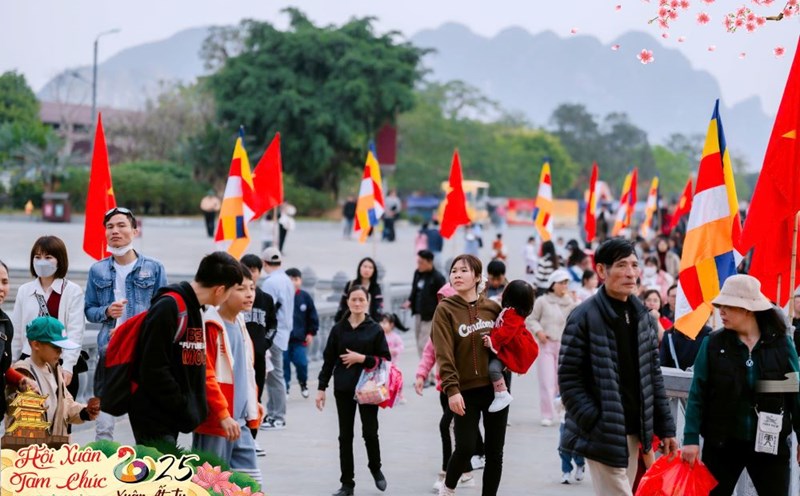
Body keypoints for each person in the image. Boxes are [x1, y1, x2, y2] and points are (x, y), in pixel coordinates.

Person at [559, 238, 677, 495]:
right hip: (604, 431)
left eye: (634, 265)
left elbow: (652, 376)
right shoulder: (583, 317)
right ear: (601, 270)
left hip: (637, 431)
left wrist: (665, 428)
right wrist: (594, 420)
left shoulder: (641, 316)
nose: (631, 273)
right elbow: (569, 379)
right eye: (622, 265)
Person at [682, 275, 800, 495]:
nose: (721, 312)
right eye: (720, 306)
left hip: (770, 443)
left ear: (748, 309)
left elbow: (795, 391)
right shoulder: (713, 344)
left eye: (728, 306)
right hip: (722, 442)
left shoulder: (781, 344)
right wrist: (690, 438)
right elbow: (698, 393)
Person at [129, 251, 243, 446]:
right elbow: (152, 368)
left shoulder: (195, 309)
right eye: (231, 291)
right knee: (155, 472)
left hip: (169, 416)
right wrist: (182, 405)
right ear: (219, 290)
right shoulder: (168, 307)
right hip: (152, 415)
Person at [84, 207, 168, 441]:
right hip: (109, 353)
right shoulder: (97, 269)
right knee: (104, 424)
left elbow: (164, 312)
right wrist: (107, 311)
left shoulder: (154, 268)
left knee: (147, 420)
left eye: (121, 225)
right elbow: (89, 310)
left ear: (134, 230)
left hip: (143, 354)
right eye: (110, 227)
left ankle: (148, 469)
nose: (115, 231)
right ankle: (103, 469)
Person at [431, 254, 507, 496]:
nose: (457, 275)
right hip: (464, 391)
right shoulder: (445, 310)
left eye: (463, 270)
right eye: (454, 271)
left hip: (495, 390)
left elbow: (507, 343)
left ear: (477, 276)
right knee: (464, 447)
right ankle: (448, 489)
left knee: (495, 453)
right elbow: (443, 354)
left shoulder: (493, 309)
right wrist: (451, 390)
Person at [316, 285, 391, 496]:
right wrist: (321, 388)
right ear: (347, 302)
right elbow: (328, 360)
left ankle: (375, 468)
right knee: (345, 436)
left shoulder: (375, 329)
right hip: (343, 389)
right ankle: (347, 484)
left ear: (367, 302)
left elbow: (385, 360)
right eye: (353, 300)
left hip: (369, 390)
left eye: (361, 300)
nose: (357, 303)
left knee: (369, 432)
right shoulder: (338, 329)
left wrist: (362, 359)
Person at [195, 265, 263, 486]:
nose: (250, 294)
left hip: (239, 421)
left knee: (249, 485)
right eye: (241, 289)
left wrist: (254, 404)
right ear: (222, 292)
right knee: (210, 486)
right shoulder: (210, 325)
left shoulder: (241, 323)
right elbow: (206, 376)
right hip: (217, 422)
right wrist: (223, 414)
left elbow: (247, 372)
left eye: (252, 288)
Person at [11, 235, 86, 401]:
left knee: (61, 420)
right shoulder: (25, 290)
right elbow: (17, 331)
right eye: (37, 257)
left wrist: (68, 366)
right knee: (30, 420)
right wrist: (13, 364)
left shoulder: (72, 291)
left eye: (48, 257)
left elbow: (75, 332)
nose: (41, 261)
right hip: (29, 363)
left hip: (59, 363)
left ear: (59, 260)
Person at [9, 316, 100, 439]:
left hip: (53, 449)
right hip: (32, 453)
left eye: (62, 347)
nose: (60, 352)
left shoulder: (55, 369)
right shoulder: (22, 374)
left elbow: (65, 405)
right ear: (36, 344)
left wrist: (85, 412)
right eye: (56, 347)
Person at [527, 269, 578, 426]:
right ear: (552, 284)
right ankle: (547, 414)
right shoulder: (542, 301)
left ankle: (563, 411)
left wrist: (575, 300)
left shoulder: (571, 302)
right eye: (561, 283)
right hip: (546, 344)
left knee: (562, 381)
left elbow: (578, 319)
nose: (564, 286)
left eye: (566, 283)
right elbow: (531, 319)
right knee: (547, 380)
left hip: (564, 345)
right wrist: (539, 331)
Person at [482, 279, 539, 413]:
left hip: (510, 349)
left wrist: (492, 341)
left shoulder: (513, 316)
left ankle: (502, 393)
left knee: (493, 369)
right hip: (508, 346)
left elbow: (505, 332)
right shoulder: (511, 311)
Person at [239, 254, 277, 456]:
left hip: (258, 358)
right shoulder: (233, 296)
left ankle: (252, 439)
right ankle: (239, 438)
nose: (252, 273)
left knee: (256, 397)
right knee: (238, 398)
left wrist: (264, 344)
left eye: (255, 269)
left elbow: (273, 325)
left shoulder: (265, 299)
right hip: (237, 357)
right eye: (248, 268)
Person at [260, 246, 295, 431]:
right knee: (275, 375)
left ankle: (277, 416)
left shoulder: (270, 282)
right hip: (284, 331)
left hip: (273, 332)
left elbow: (268, 309)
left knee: (274, 376)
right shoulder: (287, 280)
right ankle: (273, 413)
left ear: (265, 263)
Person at [0, 260, 38, 422]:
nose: (1, 288)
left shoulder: (5, 323)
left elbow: (3, 367)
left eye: (5, 282)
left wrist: (21, 380)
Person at [403, 250, 446, 357]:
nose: (419, 265)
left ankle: (428, 371)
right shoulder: (417, 273)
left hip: (430, 316)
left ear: (429, 262)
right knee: (418, 341)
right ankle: (423, 369)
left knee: (424, 343)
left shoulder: (438, 278)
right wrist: (409, 301)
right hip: (418, 313)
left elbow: (443, 297)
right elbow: (414, 290)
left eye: (421, 262)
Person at [284, 267, 319, 398]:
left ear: (301, 281)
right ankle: (285, 388)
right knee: (284, 364)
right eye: (290, 279)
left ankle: (303, 382)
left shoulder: (305, 297)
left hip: (300, 339)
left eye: (296, 279)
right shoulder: (281, 297)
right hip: (283, 339)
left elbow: (313, 316)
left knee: (301, 363)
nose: (293, 282)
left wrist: (311, 333)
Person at [335, 257, 384, 322]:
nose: (367, 270)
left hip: (368, 325)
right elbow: (343, 304)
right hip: (350, 323)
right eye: (365, 266)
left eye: (370, 267)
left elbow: (378, 308)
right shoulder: (351, 284)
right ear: (359, 268)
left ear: (374, 271)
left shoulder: (376, 288)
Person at [554, 395, 585, 484]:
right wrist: (563, 401)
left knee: (578, 447)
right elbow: (556, 403)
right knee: (563, 448)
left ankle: (580, 465)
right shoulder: (564, 389)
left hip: (580, 422)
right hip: (565, 422)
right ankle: (566, 472)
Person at [380, 313, 407, 403]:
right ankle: (384, 395)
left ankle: (400, 395)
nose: (381, 324)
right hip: (382, 365)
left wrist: (394, 351)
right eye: (381, 322)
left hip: (393, 364)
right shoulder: (379, 336)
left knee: (397, 380)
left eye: (384, 323)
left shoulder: (395, 337)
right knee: (383, 381)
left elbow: (401, 347)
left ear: (391, 325)